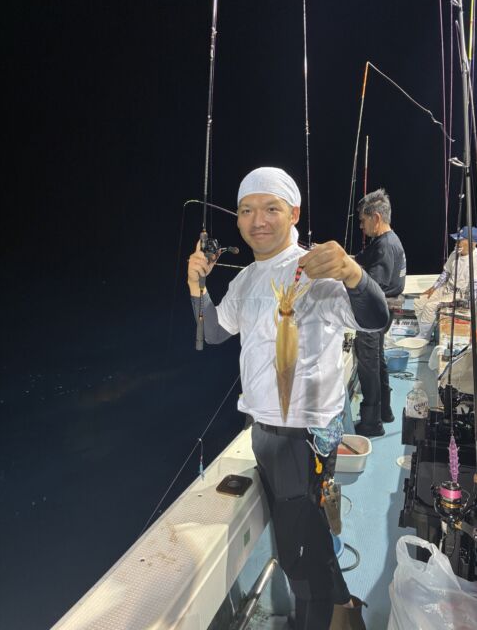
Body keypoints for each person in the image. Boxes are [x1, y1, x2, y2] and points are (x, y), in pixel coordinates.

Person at [187, 167, 389, 630]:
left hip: (305, 438)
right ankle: (343, 606)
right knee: (304, 537)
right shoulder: (245, 280)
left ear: (294, 213)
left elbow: (376, 319)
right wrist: (197, 287)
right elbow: (213, 332)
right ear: (237, 219)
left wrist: (353, 273)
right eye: (246, 210)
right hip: (263, 433)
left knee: (300, 561)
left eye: (271, 208)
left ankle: (321, 615)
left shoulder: (316, 268)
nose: (257, 219)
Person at [353, 189, 406, 438]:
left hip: (373, 314)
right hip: (385, 313)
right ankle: (385, 411)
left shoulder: (385, 246)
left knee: (368, 366)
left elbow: (372, 287)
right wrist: (335, 257)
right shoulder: (386, 241)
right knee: (378, 360)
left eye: (362, 221)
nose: (361, 227)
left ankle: (371, 422)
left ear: (375, 218)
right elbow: (358, 260)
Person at [414, 226, 477, 341]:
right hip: (447, 288)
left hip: (460, 295)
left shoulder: (475, 259)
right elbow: (446, 273)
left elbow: (475, 289)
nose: (457, 243)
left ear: (472, 243)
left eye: (460, 240)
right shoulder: (455, 253)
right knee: (420, 301)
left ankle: (424, 338)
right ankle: (425, 331)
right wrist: (433, 288)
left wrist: (466, 304)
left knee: (430, 306)